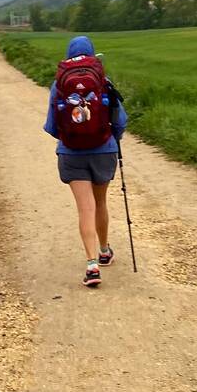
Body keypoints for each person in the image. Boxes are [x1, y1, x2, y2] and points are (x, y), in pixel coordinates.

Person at [44, 35, 128, 288]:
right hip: (104, 151)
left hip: (71, 153)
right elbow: (121, 120)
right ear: (93, 55)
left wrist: (70, 138)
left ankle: (92, 266)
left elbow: (51, 126)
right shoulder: (104, 81)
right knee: (100, 202)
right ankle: (104, 251)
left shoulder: (58, 85)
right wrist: (112, 139)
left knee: (85, 208)